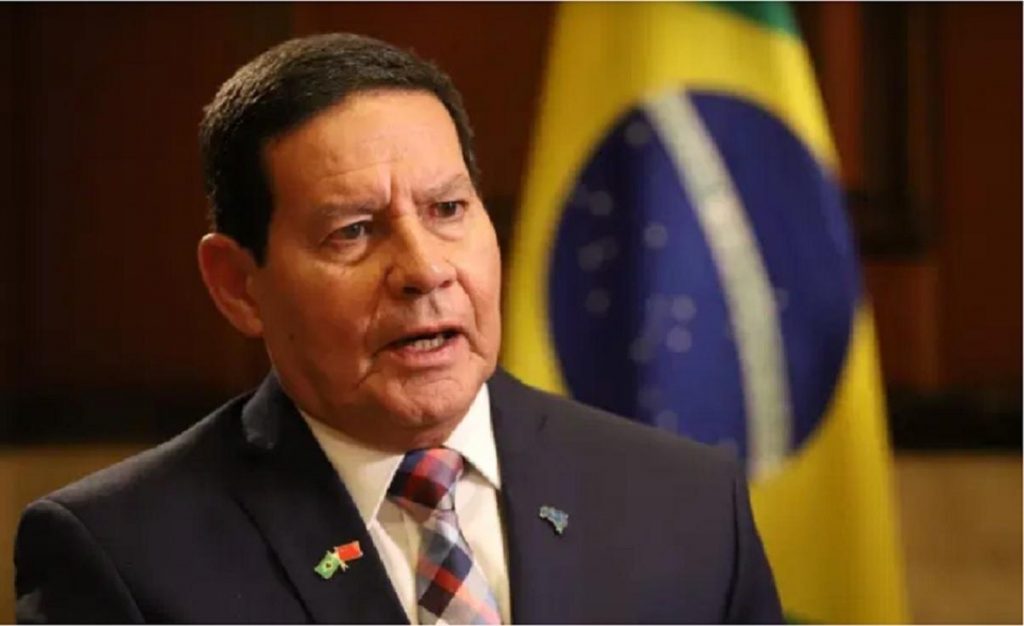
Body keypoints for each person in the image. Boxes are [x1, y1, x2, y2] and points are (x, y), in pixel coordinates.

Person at [14, 33, 782, 624]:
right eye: (352, 231)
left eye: (448, 210)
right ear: (239, 285)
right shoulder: (122, 556)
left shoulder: (687, 506)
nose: (424, 269)